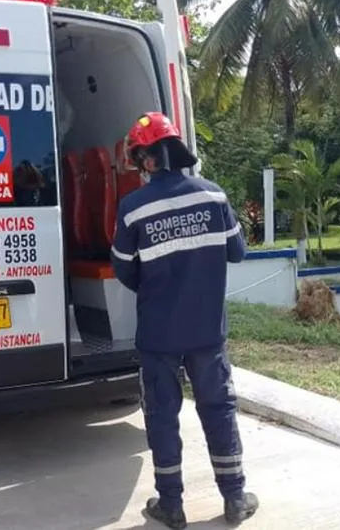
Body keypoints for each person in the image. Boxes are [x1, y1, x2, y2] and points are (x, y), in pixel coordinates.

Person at [110, 112, 258, 529]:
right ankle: (234, 498)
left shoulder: (133, 208)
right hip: (207, 332)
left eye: (139, 158)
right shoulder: (213, 197)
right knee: (218, 410)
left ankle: (171, 504)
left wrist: (157, 286)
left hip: (158, 334)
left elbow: (124, 269)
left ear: (149, 159)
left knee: (161, 416)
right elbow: (237, 252)